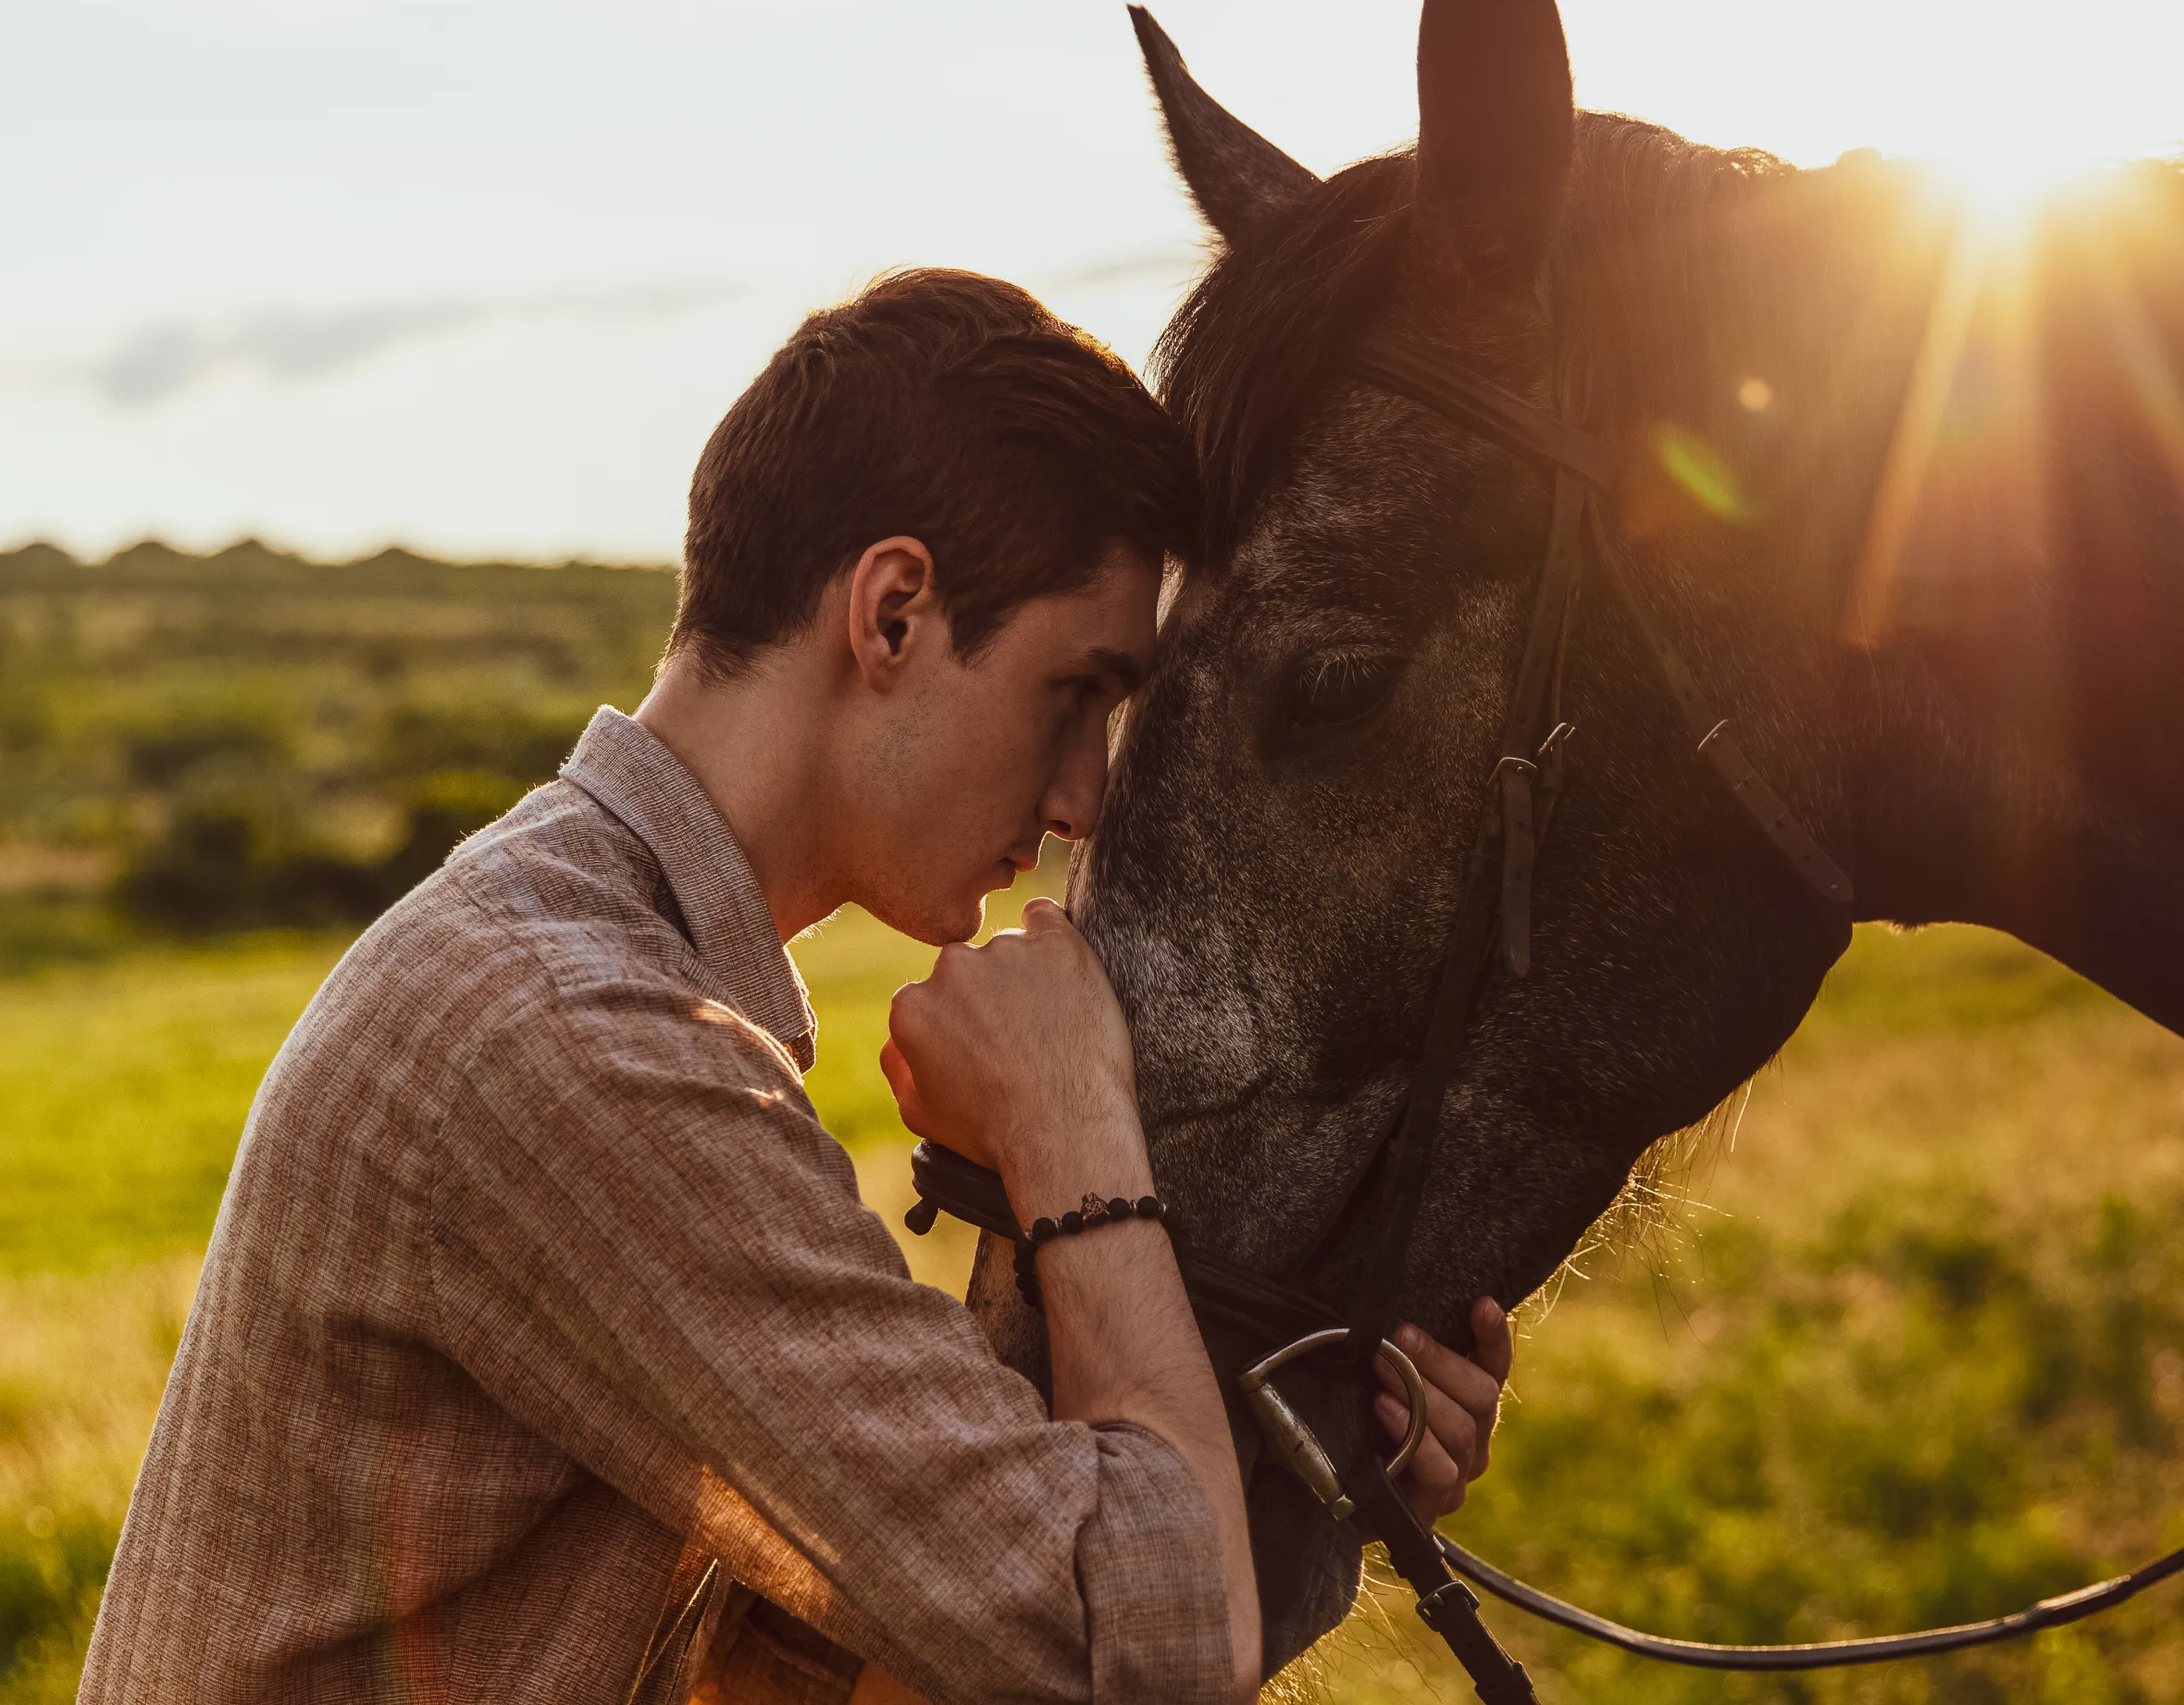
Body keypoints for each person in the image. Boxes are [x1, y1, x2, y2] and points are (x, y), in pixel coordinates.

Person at [81, 269, 1513, 1705]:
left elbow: (882, 1661)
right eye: (1074, 693)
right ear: (891, 613)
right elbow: (1137, 1656)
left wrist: (1313, 1453)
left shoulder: (599, 963)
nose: (1085, 796)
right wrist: (1073, 1124)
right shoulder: (575, 1041)